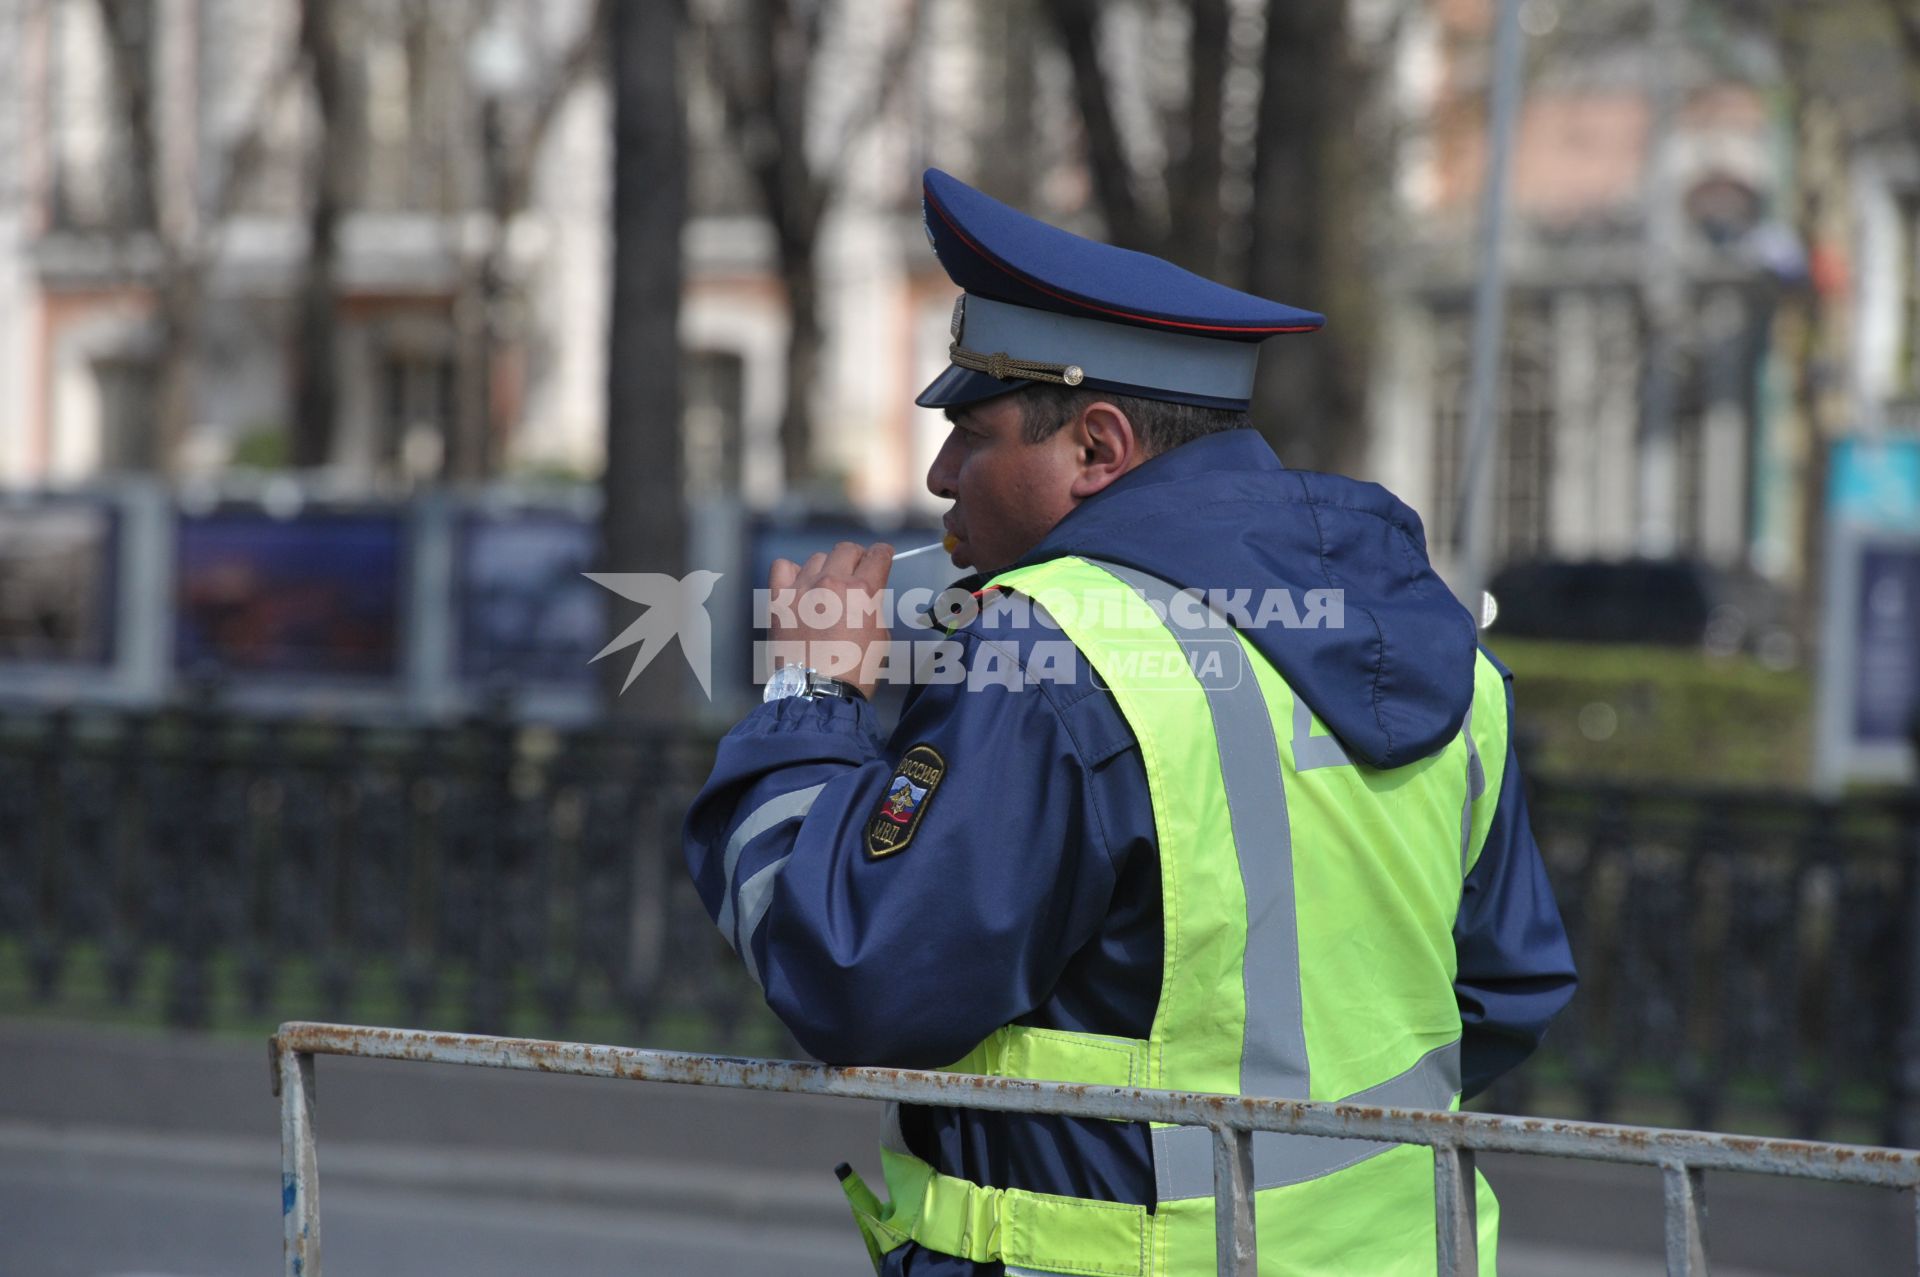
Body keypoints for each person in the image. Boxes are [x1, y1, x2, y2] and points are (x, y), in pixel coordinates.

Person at [683, 169, 1577, 1276]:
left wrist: (808, 697)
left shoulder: (1057, 648)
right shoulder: (1429, 629)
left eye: (975, 429)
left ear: (1098, 449)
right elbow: (1504, 991)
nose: (940, 472)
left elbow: (852, 973)